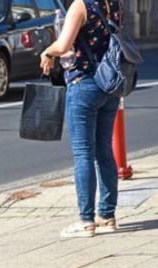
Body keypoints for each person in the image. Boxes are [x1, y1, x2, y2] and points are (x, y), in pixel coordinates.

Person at [40, 0, 122, 238]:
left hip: (84, 82)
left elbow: (63, 45)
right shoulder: (113, 4)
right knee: (104, 151)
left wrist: (47, 52)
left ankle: (86, 220)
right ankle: (107, 215)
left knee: (83, 153)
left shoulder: (81, 5)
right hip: (109, 84)